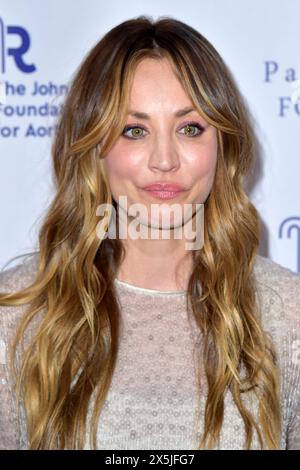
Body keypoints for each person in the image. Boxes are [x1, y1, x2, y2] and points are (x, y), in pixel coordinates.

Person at [0, 15, 299, 450]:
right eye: (134, 130)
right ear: (94, 150)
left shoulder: (288, 316)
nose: (164, 160)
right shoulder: (18, 315)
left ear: (223, 147)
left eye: (190, 128)